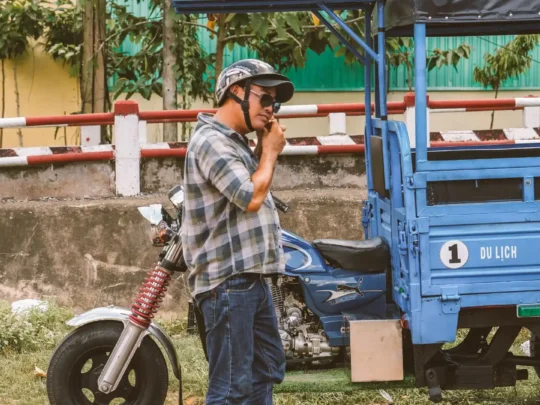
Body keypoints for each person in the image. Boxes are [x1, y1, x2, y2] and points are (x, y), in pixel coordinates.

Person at [181, 59, 295, 405]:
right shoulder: (211, 142)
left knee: (266, 372)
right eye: (265, 99)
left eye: (275, 103)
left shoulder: (235, 144)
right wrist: (271, 154)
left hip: (250, 279)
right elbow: (249, 196)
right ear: (237, 92)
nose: (271, 110)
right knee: (232, 387)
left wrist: (261, 149)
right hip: (228, 282)